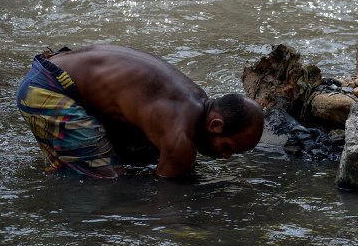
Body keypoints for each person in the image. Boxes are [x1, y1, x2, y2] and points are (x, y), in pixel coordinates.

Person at [16, 44, 264, 178]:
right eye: (229, 147)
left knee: (142, 156)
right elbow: (168, 200)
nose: (226, 157)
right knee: (105, 181)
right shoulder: (180, 137)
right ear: (216, 125)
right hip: (48, 90)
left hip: (55, 70)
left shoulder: (193, 101)